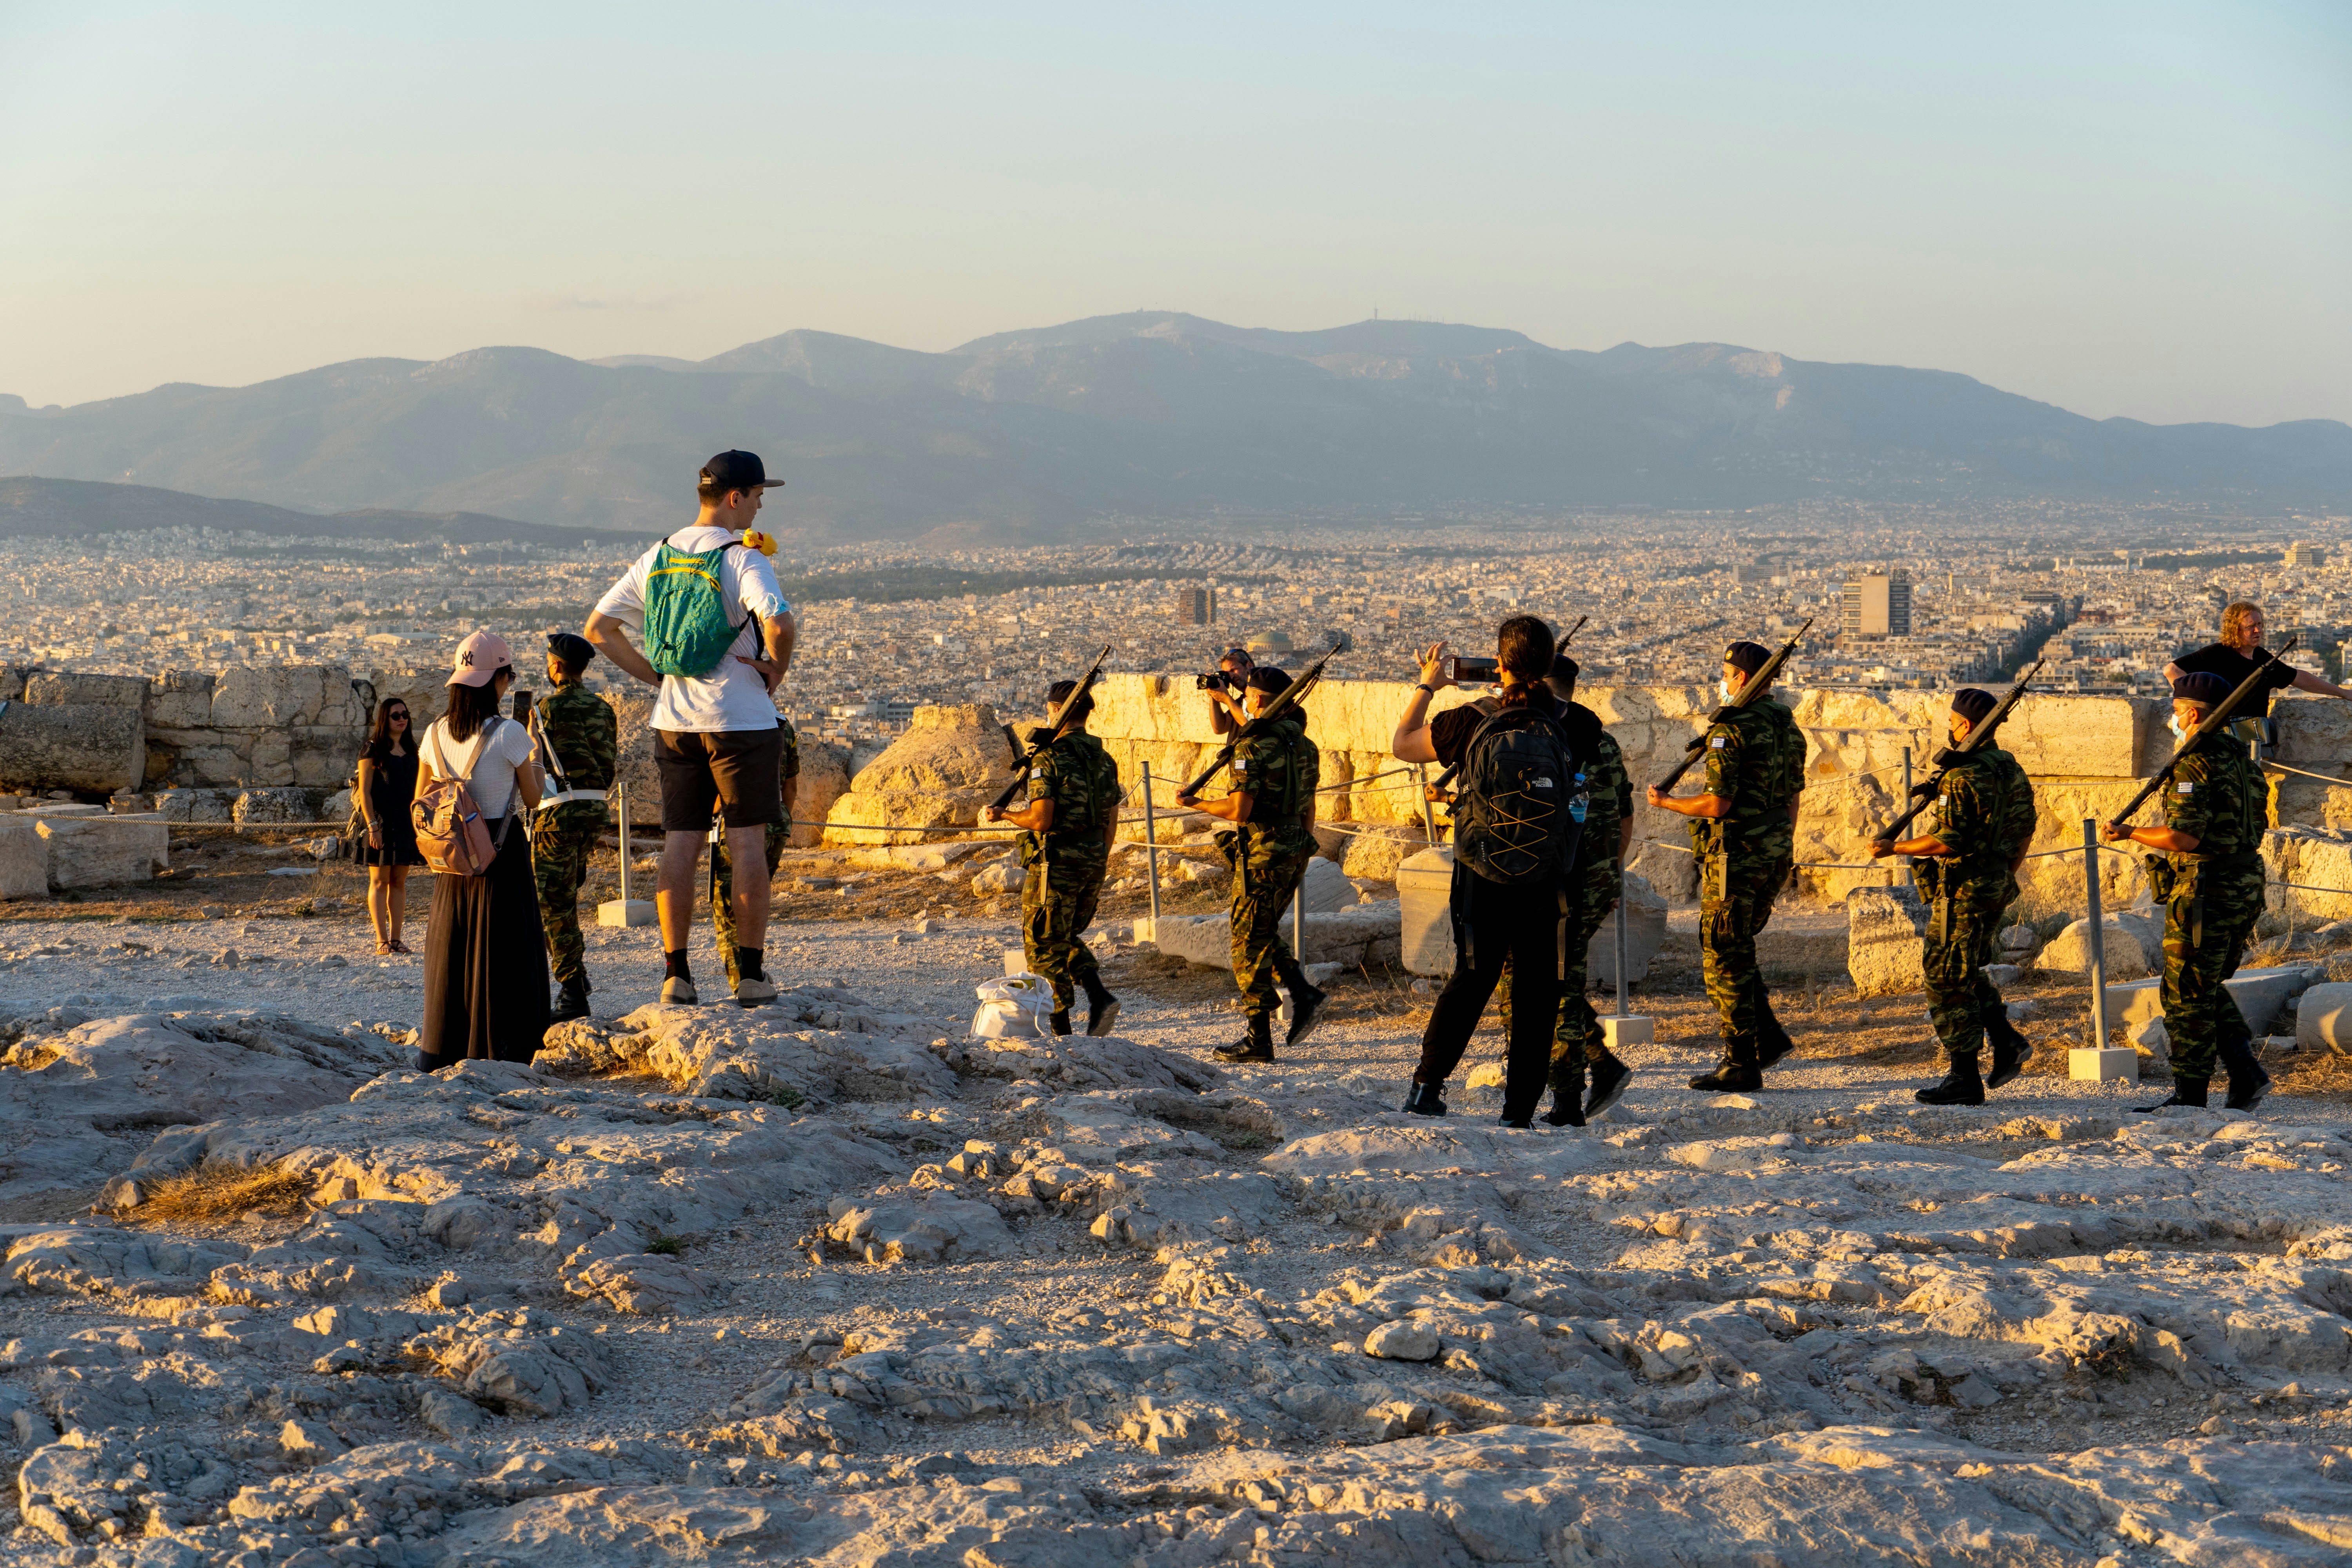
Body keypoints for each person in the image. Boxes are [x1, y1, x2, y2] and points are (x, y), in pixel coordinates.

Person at [585, 450, 796, 1008]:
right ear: (734, 497)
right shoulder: (741, 558)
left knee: (681, 845)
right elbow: (779, 620)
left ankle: (676, 974)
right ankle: (750, 974)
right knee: (748, 841)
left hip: (676, 722)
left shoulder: (658, 554)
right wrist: (776, 667)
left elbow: (599, 629)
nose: (757, 506)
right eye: (755, 496)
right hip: (741, 722)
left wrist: (658, 678)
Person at [1390, 617, 1578, 1124]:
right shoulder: (1573, 722)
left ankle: (1427, 1086)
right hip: (1546, 874)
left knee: (1473, 977)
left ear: (1499, 664)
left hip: (1481, 871)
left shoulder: (1472, 718)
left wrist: (1429, 684)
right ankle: (1519, 1110)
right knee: (1537, 989)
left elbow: (1404, 743)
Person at [2102, 672, 2272, 1113]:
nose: (2174, 720)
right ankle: (2245, 1072)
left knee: (2185, 994)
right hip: (2243, 884)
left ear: (2193, 714)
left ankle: (2190, 1096)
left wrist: (2131, 832)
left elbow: (2184, 838)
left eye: (2177, 712)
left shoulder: (2194, 765)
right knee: (2206, 984)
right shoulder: (2241, 758)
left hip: (2207, 891)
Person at [1647, 641, 1808, 1093]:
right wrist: (1781, 845)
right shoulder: (1788, 728)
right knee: (1737, 945)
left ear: (1741, 677)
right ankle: (1768, 1037)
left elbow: (1718, 803)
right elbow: (1794, 796)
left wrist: (1668, 802)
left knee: (1722, 952)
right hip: (1774, 851)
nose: (1721, 678)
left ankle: (1740, 1061)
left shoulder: (1729, 731)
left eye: (1725, 671)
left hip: (1733, 855)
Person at [1869, 689, 2037, 1105]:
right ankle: (2006, 1040)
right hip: (1994, 884)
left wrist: (1896, 849)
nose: (1950, 726)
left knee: (1944, 976)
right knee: (1963, 968)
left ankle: (1964, 1076)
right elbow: (2025, 830)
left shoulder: (1963, 777)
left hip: (1962, 890)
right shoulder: (2009, 769)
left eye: (1953, 719)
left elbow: (1947, 842)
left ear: (1965, 725)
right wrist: (2002, 874)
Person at [414, 631, 548, 1068]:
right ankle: (502, 1050)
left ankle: (445, 1047)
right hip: (499, 848)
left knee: (454, 949)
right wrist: (536, 757)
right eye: (506, 677)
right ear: (496, 681)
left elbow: (420, 799)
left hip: (454, 855)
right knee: (503, 951)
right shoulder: (510, 733)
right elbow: (531, 799)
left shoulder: (433, 733)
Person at [1178, 665, 1323, 1062]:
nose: (1243, 702)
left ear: (1258, 700)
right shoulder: (1305, 746)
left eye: (1246, 698)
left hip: (1262, 853)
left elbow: (1240, 810)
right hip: (1295, 848)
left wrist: (1199, 805)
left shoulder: (1251, 747)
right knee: (1261, 929)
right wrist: (1302, 847)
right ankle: (1302, 990)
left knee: (1246, 941)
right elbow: (1309, 806)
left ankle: (1259, 1035)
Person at [982, 681, 1122, 1036]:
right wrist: (1099, 857)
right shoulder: (1104, 759)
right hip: (1093, 856)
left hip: (1056, 861)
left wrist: (1006, 815)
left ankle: (1061, 1031)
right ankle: (1098, 995)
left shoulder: (1050, 759)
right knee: (1064, 934)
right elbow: (1112, 815)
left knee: (1044, 943)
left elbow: (1041, 819)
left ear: (1055, 710)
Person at [528, 632, 619, 1023]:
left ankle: (571, 990)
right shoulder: (603, 709)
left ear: (556, 667)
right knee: (566, 898)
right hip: (594, 811)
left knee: (554, 904)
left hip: (558, 814)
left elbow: (533, 760)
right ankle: (576, 978)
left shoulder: (545, 709)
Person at [712, 715, 799, 992]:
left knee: (727, 906)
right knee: (755, 894)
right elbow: (792, 786)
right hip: (777, 817)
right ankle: (754, 976)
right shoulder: (783, 725)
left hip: (737, 818)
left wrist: (712, 817)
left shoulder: (727, 719)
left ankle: (744, 983)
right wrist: (782, 818)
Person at [2163, 601, 2352, 714]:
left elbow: (2299, 679)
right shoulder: (2216, 654)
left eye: (2260, 625)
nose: (2258, 630)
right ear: (2234, 629)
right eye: (2250, 627)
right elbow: (2172, 670)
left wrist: (2343, 693)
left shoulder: (2262, 658)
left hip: (2252, 735)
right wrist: (2193, 704)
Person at [355, 696, 423, 956]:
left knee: (399, 881)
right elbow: (365, 792)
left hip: (406, 823)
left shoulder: (412, 749)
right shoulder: (372, 749)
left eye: (405, 714)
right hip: (380, 822)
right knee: (379, 880)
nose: (402, 719)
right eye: (396, 715)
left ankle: (397, 939)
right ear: (385, 719)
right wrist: (373, 826)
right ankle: (381, 939)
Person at [1204, 646, 1254, 735]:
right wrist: (1214, 693)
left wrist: (1227, 698)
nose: (1231, 676)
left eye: (1234, 670)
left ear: (1249, 666)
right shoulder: (1242, 701)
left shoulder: (1262, 693)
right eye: (1227, 673)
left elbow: (1250, 725)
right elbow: (1220, 728)